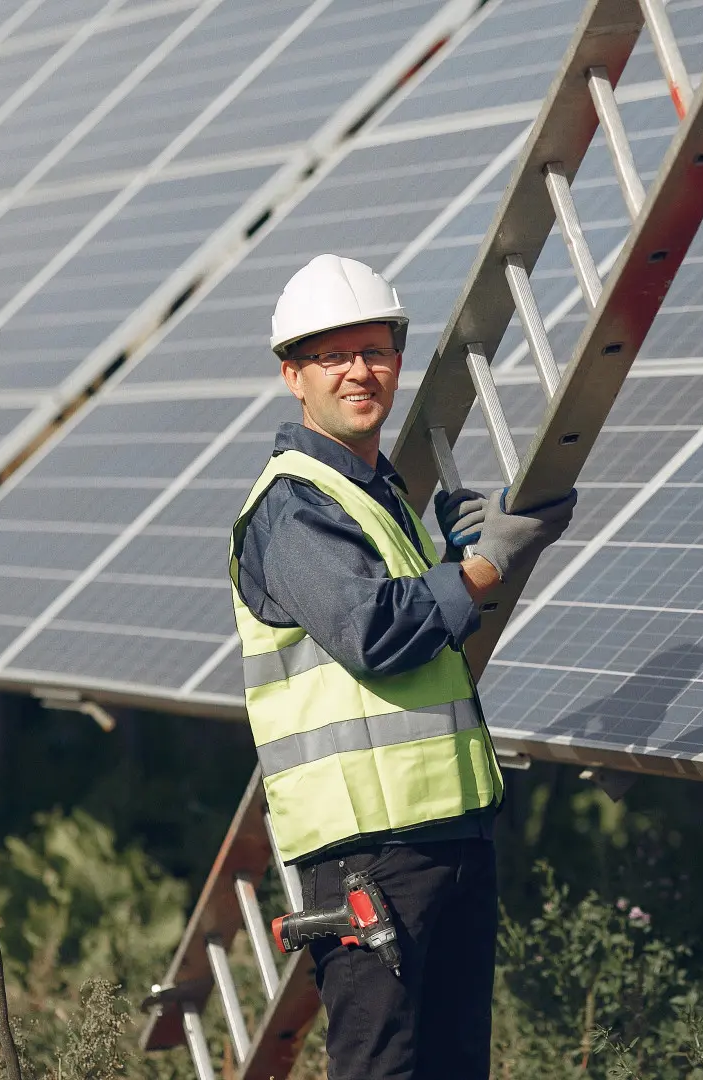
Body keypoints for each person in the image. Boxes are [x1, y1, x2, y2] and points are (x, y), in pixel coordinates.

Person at [227, 253, 576, 1079]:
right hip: (365, 851)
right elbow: (374, 632)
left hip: (446, 834)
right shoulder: (294, 504)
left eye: (375, 351)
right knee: (381, 1066)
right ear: (293, 376)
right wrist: (485, 567)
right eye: (333, 356)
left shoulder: (378, 495)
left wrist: (450, 554)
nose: (360, 371)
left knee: (453, 1067)